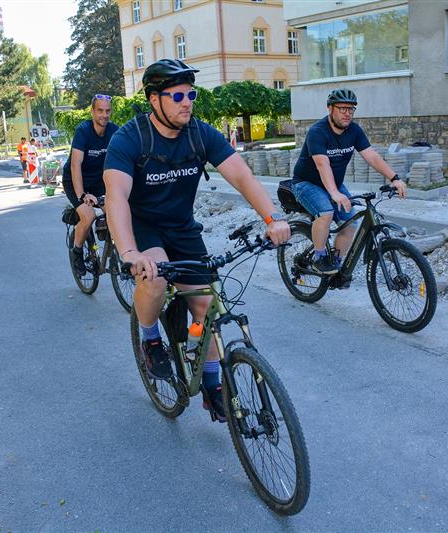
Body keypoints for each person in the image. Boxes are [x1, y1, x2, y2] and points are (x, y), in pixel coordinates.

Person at [103, 59, 290, 422]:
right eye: (177, 95)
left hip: (183, 228)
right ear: (154, 100)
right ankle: (150, 338)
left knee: (206, 308)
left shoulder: (199, 134)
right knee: (154, 279)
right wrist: (128, 252)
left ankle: (211, 386)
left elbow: (243, 176)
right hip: (142, 227)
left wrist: (272, 218)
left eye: (191, 94)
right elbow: (116, 198)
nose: (187, 102)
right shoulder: (130, 138)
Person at [292, 88, 407, 274]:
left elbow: (372, 157)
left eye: (351, 109)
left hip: (333, 185)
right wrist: (334, 193)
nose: (347, 113)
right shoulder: (317, 132)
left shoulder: (354, 130)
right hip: (306, 184)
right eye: (342, 108)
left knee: (351, 223)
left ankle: (335, 262)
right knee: (326, 213)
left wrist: (394, 178)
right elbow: (322, 165)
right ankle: (319, 257)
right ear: (330, 108)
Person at [62, 94, 119, 276]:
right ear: (93, 111)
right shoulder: (83, 131)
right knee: (88, 216)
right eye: (100, 110)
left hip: (99, 182)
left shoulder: (114, 131)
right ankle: (77, 252)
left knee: (117, 211)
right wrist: (82, 196)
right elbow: (75, 164)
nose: (104, 115)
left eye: (108, 111)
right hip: (75, 180)